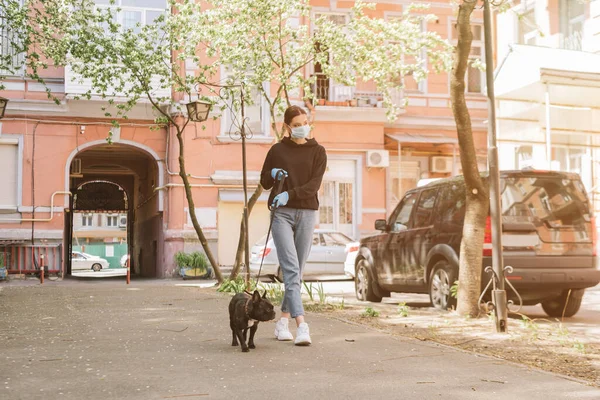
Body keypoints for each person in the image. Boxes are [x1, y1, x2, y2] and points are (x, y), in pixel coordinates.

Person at [259, 105, 327, 346]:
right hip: (282, 215)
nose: (302, 128)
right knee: (290, 269)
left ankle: (282, 322)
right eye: (296, 125)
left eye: (305, 123)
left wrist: (290, 194)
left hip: (307, 212)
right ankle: (302, 326)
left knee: (296, 271)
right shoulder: (277, 150)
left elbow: (313, 186)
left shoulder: (318, 151)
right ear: (287, 127)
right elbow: (264, 181)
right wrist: (274, 174)